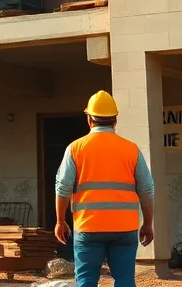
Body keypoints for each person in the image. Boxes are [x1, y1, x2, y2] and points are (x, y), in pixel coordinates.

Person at [53, 91, 155, 287]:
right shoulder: (131, 149)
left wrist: (60, 221)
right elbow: (147, 189)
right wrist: (148, 224)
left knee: (86, 281)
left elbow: (63, 187)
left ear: (89, 119)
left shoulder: (75, 148)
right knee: (125, 280)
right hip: (124, 228)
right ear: (115, 120)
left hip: (88, 228)